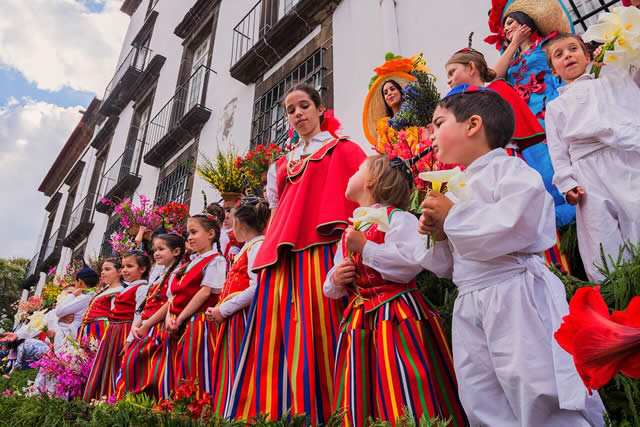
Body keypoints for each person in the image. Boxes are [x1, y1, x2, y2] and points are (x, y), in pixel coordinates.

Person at [415, 84, 605, 426]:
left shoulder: (510, 171)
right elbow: (448, 266)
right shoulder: (454, 184)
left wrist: (454, 218)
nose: (432, 133)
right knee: (482, 398)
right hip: (471, 299)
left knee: (535, 387)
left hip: (512, 294)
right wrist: (440, 234)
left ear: (472, 125)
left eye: (439, 123)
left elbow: (521, 223)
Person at [227, 84, 366, 424]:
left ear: (320, 109)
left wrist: (350, 248)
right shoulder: (281, 165)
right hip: (282, 259)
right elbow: (276, 213)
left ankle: (332, 412)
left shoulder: (342, 149)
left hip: (323, 251)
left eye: (304, 106)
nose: (298, 114)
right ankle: (277, 413)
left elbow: (366, 197)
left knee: (323, 327)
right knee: (276, 335)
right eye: (290, 110)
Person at [323, 154, 467, 426]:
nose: (350, 174)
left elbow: (410, 264)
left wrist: (367, 248)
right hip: (360, 321)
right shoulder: (352, 227)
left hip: (396, 317)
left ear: (371, 180)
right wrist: (336, 279)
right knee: (363, 382)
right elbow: (332, 284)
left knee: (404, 381)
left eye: (357, 169)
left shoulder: (400, 220)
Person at [444, 47, 571, 272]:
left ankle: (554, 273)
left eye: (452, 72)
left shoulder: (495, 90)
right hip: (480, 169)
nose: (449, 80)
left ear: (471, 67)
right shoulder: (464, 102)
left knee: (526, 216)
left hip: (504, 158)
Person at [544, 33, 640, 282]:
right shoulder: (555, 107)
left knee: (636, 211)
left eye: (573, 49)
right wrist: (567, 183)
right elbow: (558, 151)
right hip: (587, 172)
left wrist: (614, 58)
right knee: (601, 231)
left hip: (623, 159)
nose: (567, 55)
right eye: (559, 54)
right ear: (553, 70)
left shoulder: (608, 80)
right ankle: (619, 289)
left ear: (586, 56)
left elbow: (633, 81)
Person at [487, 0, 576, 228]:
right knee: (541, 167)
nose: (505, 29)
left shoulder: (547, 44)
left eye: (510, 23)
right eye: (503, 27)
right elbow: (494, 77)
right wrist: (514, 42)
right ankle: (562, 227)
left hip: (552, 108)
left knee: (563, 156)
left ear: (525, 21)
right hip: (528, 120)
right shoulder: (511, 60)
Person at [207, 197, 268, 415]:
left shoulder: (257, 246)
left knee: (238, 365)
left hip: (242, 317)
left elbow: (257, 286)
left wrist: (224, 309)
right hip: (234, 317)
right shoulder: (249, 247)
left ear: (239, 224)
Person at [162, 214, 225, 399]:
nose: (189, 237)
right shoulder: (189, 264)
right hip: (179, 326)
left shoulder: (215, 260)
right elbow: (171, 297)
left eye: (194, 232)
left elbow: (205, 292)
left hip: (199, 324)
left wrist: (179, 319)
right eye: (188, 233)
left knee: (196, 374)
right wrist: (169, 319)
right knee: (178, 374)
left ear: (211, 234)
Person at [116, 233, 185, 399]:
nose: (156, 253)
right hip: (147, 326)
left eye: (161, 249)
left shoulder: (176, 274)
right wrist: (138, 323)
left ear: (176, 251)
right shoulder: (161, 276)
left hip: (157, 328)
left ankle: (144, 406)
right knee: (130, 365)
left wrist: (147, 324)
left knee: (150, 370)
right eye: (155, 250)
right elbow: (147, 303)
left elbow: (168, 303)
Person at [83, 251, 150, 401]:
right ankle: (101, 398)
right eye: (124, 266)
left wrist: (129, 339)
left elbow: (138, 314)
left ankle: (112, 398)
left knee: (117, 365)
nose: (124, 270)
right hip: (113, 331)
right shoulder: (128, 287)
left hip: (124, 330)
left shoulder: (142, 288)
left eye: (130, 266)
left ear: (142, 269)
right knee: (107, 365)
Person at [54, 262, 98, 350]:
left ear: (80, 281)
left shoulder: (84, 297)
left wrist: (72, 295)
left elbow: (59, 311)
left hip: (70, 338)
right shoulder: (93, 295)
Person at [77, 259, 123, 342]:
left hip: (101, 330)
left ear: (119, 271)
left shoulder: (119, 291)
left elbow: (115, 317)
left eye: (107, 269)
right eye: (102, 270)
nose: (102, 272)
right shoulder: (106, 289)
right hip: (91, 329)